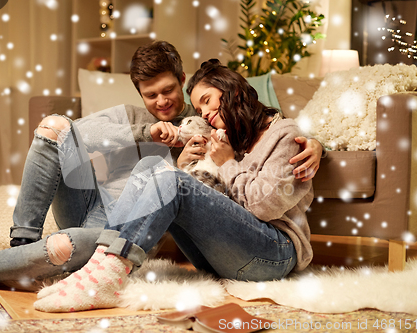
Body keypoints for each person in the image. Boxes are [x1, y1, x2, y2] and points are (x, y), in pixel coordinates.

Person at [0, 42, 320, 293]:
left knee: (70, 244)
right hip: (95, 204)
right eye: (151, 95)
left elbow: (238, 185)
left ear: (182, 82)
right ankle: (22, 249)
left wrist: (316, 144)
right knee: (53, 129)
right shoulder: (143, 118)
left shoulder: (213, 131)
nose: (164, 101)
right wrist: (143, 132)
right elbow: (73, 136)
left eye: (170, 91)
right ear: (139, 95)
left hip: (124, 228)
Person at [31, 59, 314, 313]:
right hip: (224, 258)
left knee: (172, 180)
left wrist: (226, 162)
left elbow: (263, 207)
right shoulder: (235, 137)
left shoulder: (286, 135)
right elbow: (223, 205)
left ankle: (108, 275)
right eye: (200, 108)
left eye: (207, 100)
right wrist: (198, 164)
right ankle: (100, 267)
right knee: (152, 168)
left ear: (232, 90)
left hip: (274, 255)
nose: (204, 114)